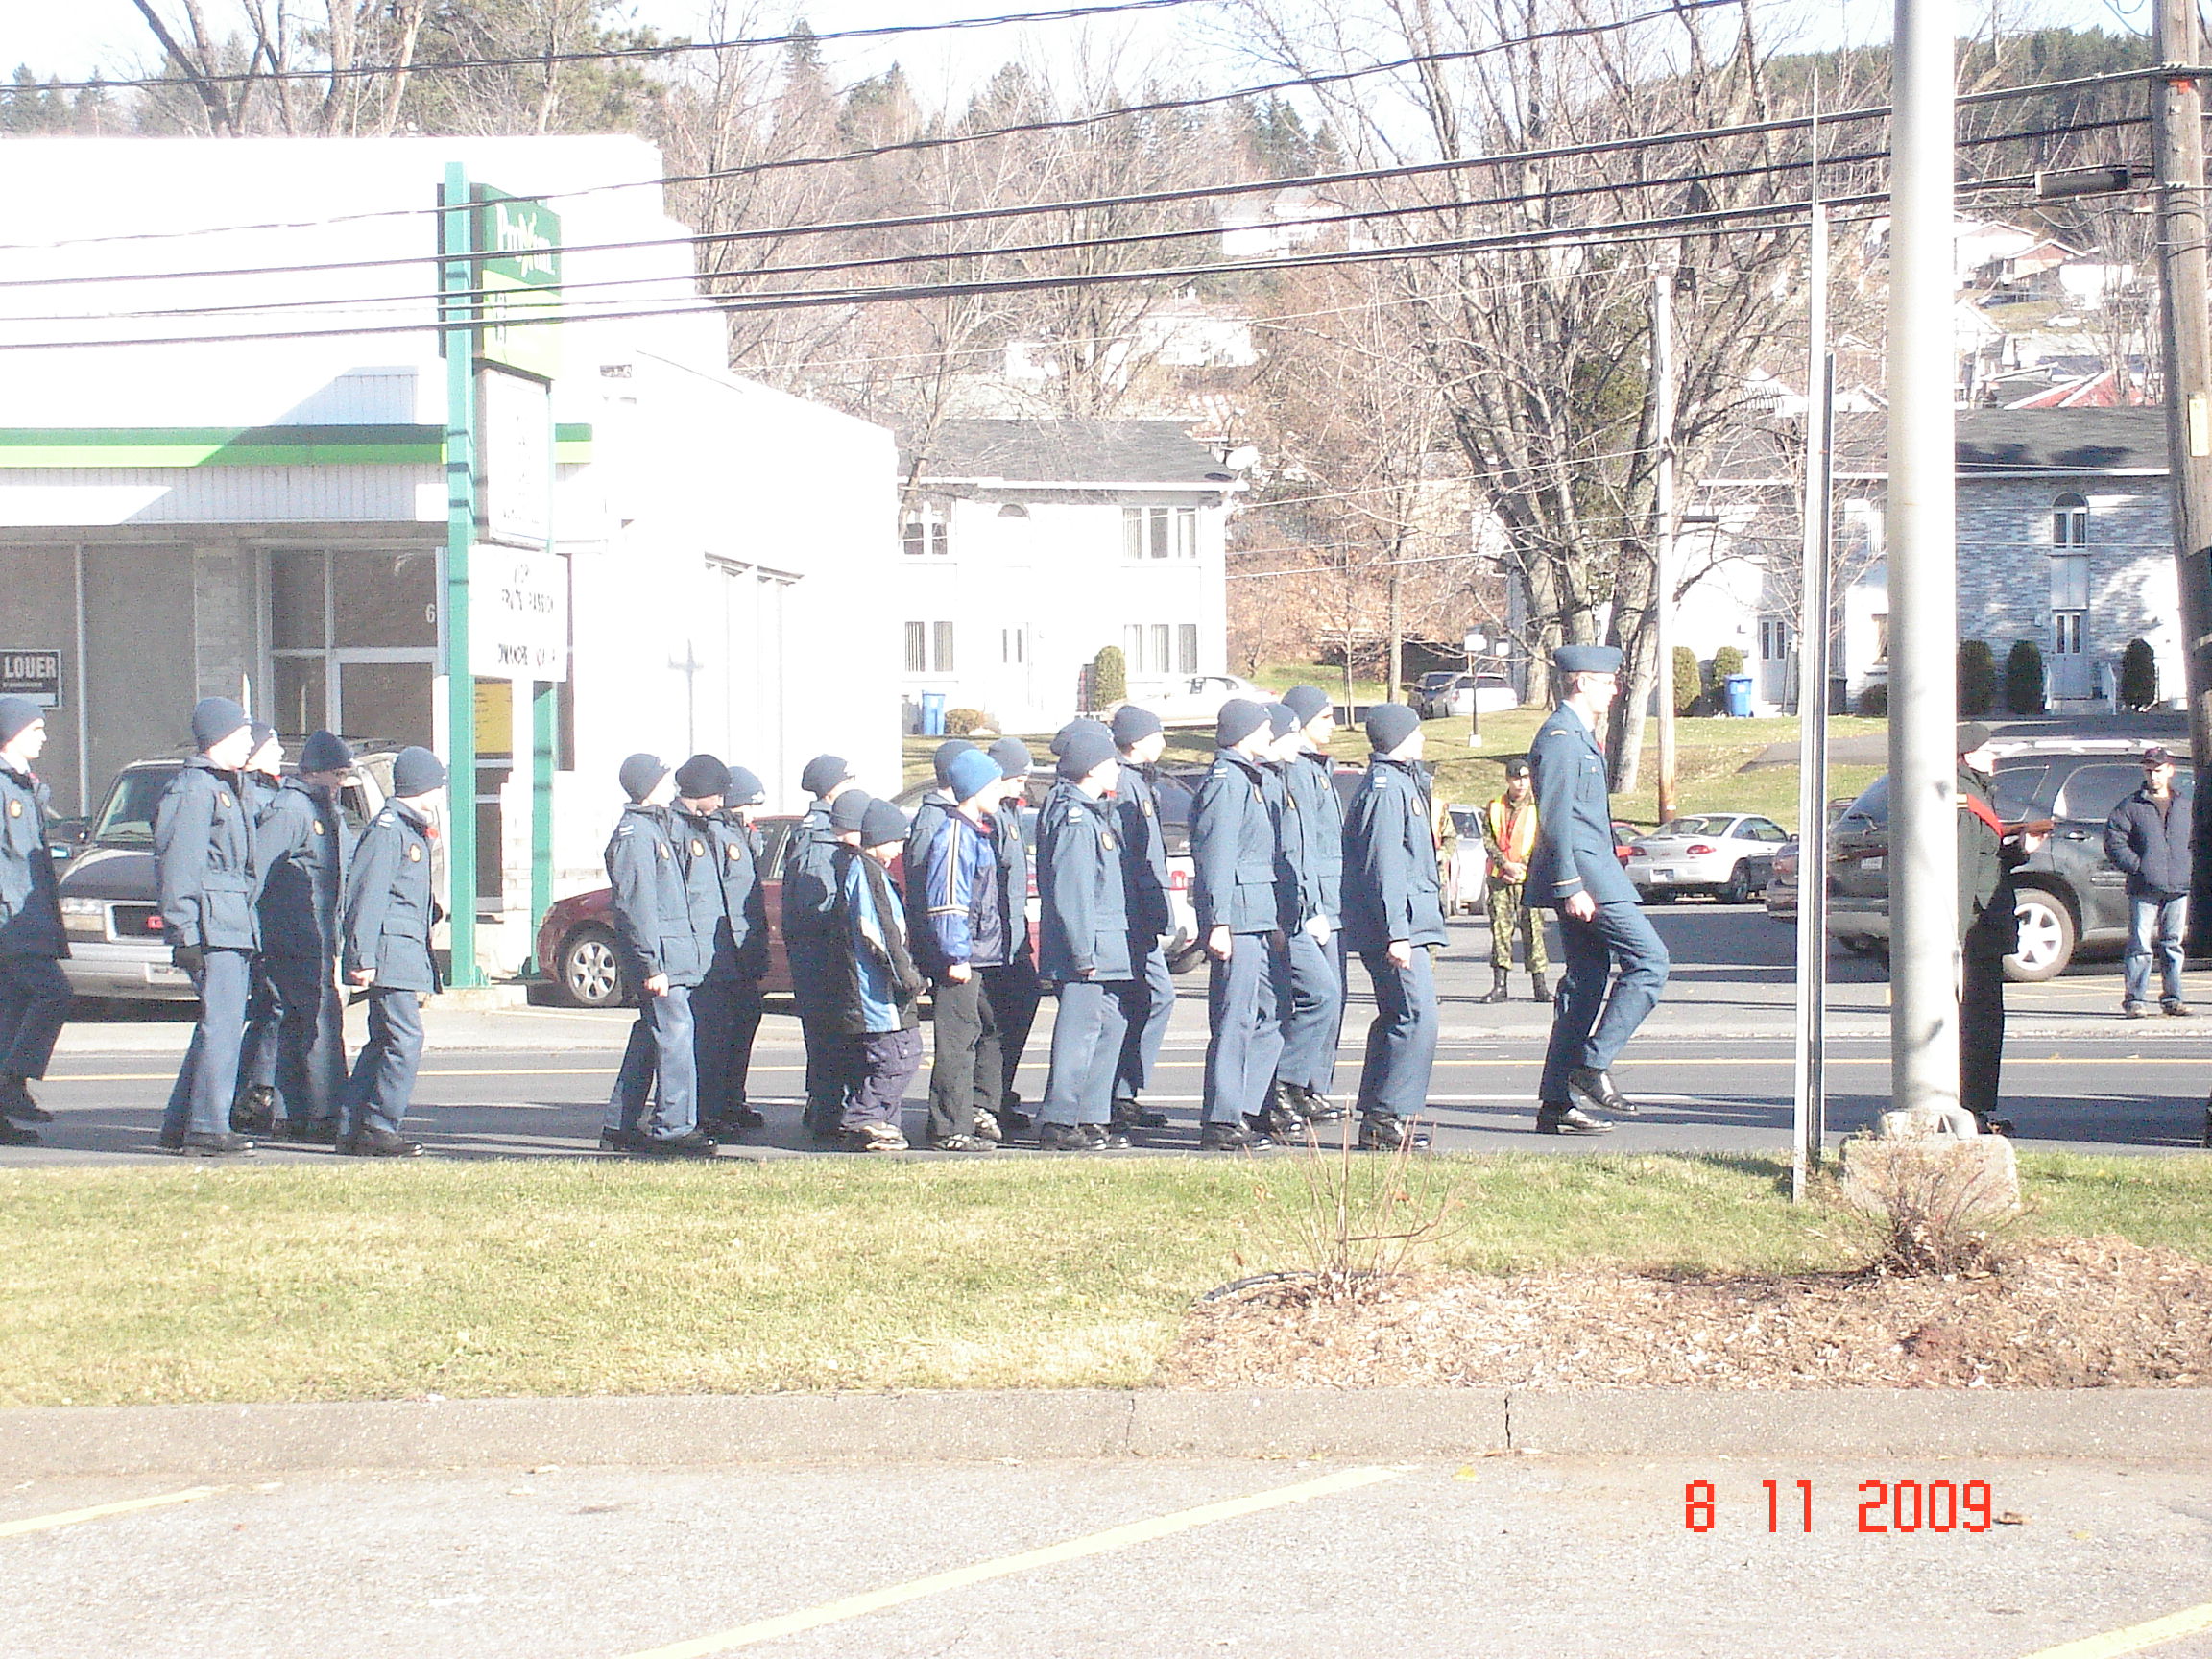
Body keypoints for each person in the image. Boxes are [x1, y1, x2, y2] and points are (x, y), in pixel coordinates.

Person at [1528, 645, 1670, 1134]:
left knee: (1585, 984)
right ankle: (1591, 1064)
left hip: (1593, 874)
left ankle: (1556, 1105)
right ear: (1582, 682)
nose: (1615, 690)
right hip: (1587, 879)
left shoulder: (1577, 737)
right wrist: (1570, 884)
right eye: (1609, 682)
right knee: (1651, 962)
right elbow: (1556, 817)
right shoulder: (1561, 738)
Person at [156, 697, 265, 1157]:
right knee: (220, 1025)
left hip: (233, 923)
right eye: (242, 735)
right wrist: (184, 932)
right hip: (212, 926)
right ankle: (205, 1125)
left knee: (218, 1024)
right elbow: (179, 863)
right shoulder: (195, 790)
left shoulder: (228, 787)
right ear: (218, 738)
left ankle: (182, 1121)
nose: (249, 744)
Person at [599, 753, 716, 1158]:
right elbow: (637, 905)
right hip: (661, 961)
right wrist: (651, 964)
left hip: (672, 955)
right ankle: (672, 1127)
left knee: (652, 1039)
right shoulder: (636, 835)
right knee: (675, 1038)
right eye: (665, 778)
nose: (672, 785)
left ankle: (620, 1123)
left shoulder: (656, 827)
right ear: (648, 785)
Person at [1340, 703, 1445, 1150]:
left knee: (1403, 1016)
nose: (1421, 739)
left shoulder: (1403, 783)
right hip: (1395, 929)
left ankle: (1384, 1114)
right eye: (1416, 732)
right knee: (1414, 1015)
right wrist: (1396, 932)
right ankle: (1387, 1116)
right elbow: (1383, 867)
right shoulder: (1386, 789)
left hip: (1407, 925)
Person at [335, 745, 446, 1158]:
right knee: (405, 1039)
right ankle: (380, 1125)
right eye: (436, 788)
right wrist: (360, 957)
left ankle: (353, 1126)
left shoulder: (407, 830)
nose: (438, 798)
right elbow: (366, 897)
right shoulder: (389, 831)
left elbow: (401, 893)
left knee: (383, 1040)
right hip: (388, 954)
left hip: (403, 950)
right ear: (421, 787)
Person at [1190, 697, 1289, 1150]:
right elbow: (1217, 855)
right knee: (1235, 1017)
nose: (1270, 736)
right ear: (1246, 732)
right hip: (1239, 917)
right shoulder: (1226, 782)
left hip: (1259, 914)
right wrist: (1218, 920)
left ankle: (1248, 1106)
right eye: (1265, 728)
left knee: (1270, 1012)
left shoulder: (1251, 779)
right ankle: (1222, 1118)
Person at [1035, 726, 1140, 1150]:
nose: (1117, 770)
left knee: (1111, 1023)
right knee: (1079, 1030)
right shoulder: (1075, 819)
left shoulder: (1094, 811)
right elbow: (1073, 891)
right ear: (1094, 768)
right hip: (1087, 947)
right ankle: (1059, 1120)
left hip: (1105, 943)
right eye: (1111, 763)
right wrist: (1082, 951)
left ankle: (1092, 1115)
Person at [246, 730, 352, 1143]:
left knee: (300, 1025)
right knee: (317, 1025)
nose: (340, 784)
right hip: (291, 938)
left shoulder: (327, 813)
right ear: (313, 772)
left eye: (345, 776)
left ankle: (294, 1115)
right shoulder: (291, 810)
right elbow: (256, 872)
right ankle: (323, 1113)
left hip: (318, 937)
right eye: (336, 775)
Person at [917, 745, 1012, 1151]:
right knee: (956, 1042)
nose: (1001, 791)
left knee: (982, 1030)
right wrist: (955, 955)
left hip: (981, 954)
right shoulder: (954, 834)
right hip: (963, 957)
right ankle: (947, 1128)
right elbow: (948, 899)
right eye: (994, 784)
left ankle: (974, 1110)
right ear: (975, 789)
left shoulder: (976, 831)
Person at [673, 755, 769, 1138]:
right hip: (716, 956)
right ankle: (709, 1108)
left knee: (744, 1022)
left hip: (742, 952)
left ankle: (732, 1099)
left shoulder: (738, 835)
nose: (750, 815)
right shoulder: (707, 834)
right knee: (713, 1034)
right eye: (746, 806)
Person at [829, 794, 926, 1152]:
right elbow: (881, 936)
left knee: (889, 1056)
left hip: (881, 990)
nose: (900, 849)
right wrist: (908, 979)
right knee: (901, 1054)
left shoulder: (873, 873)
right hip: (876, 993)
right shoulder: (868, 876)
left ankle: (882, 1125)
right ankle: (863, 1117)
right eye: (897, 840)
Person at [1271, 685, 1348, 1130]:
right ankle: (1290, 1083)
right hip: (1310, 906)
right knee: (1320, 996)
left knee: (1331, 1001)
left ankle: (1309, 1086)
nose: (1333, 726)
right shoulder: (1297, 770)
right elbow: (1302, 848)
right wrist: (1313, 906)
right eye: (1325, 718)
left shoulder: (1318, 768)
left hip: (1328, 902)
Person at [1958, 724, 2039, 1135]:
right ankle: (1969, 1110)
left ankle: (1977, 1109)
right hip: (1974, 936)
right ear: (1968, 757)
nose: (1995, 759)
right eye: (1988, 752)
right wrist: (1952, 945)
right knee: (1977, 1027)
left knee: (1986, 1025)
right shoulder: (1963, 802)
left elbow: (1988, 864)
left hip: (1984, 934)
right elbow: (1961, 876)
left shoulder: (1978, 797)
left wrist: (2019, 850)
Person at [0, 698, 68, 1145]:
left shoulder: (25, 786)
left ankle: (9, 1093)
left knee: (11, 1011)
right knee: (54, 993)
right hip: (10, 922)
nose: (43, 736)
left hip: (32, 919)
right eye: (36, 728)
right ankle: (13, 1077)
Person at [786, 754, 861, 1141]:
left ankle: (825, 1103)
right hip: (821, 953)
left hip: (820, 951)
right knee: (829, 1035)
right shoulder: (821, 835)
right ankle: (827, 1110)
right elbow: (817, 901)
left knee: (830, 1034)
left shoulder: (824, 828)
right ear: (832, 788)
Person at [1109, 704, 1175, 1135]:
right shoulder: (1124, 784)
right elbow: (1133, 857)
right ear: (1136, 740)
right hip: (1132, 914)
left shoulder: (1139, 781)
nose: (1163, 742)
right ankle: (1115, 1093)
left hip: (1144, 912)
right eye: (1156, 735)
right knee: (1147, 998)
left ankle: (1123, 1092)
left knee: (1154, 998)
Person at [2104, 743, 2194, 1020]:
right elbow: (2114, 840)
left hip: (2177, 887)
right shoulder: (2131, 806)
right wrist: (2137, 867)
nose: (2153, 776)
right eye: (2149, 770)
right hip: (2144, 888)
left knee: (2172, 945)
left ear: (2170, 771)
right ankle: (2135, 999)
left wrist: (2188, 869)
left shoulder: (2183, 805)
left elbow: (2196, 841)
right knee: (2140, 945)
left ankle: (2172, 998)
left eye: (2158, 770)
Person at [229, 723, 288, 1134]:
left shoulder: (271, 793)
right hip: (260, 923)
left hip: (273, 923)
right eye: (273, 744)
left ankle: (258, 1089)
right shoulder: (250, 797)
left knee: (273, 1009)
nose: (280, 751)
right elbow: (254, 872)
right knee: (271, 1008)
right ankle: (254, 1091)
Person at [982, 736, 1042, 1133]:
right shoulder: (990, 819)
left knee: (1022, 1004)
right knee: (992, 1022)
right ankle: (987, 1098)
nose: (1021, 788)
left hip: (1013, 936)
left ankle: (1000, 1090)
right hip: (994, 940)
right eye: (1017, 779)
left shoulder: (1008, 815)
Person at [1479, 758, 1550, 1004]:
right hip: (1500, 879)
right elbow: (1488, 840)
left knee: (1534, 930)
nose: (1521, 783)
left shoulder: (1538, 807)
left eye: (1525, 778)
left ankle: (1540, 986)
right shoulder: (1494, 806)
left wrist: (1523, 867)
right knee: (1500, 930)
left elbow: (1542, 841)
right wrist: (1504, 865)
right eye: (1516, 778)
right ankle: (1500, 985)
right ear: (1508, 779)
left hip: (1529, 879)